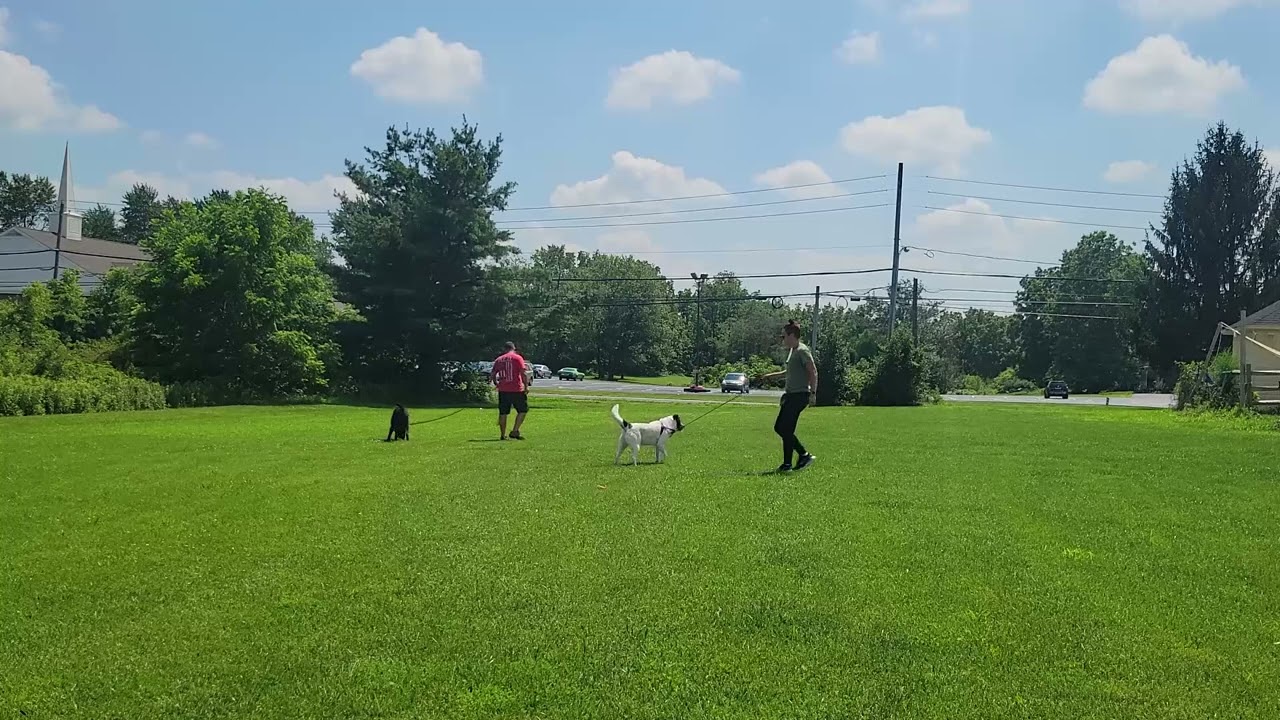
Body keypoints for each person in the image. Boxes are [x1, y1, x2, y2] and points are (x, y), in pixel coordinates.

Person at [757, 319, 817, 472]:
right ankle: (793, 461)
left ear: (792, 335)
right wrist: (770, 376)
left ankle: (800, 457)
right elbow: (788, 372)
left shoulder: (803, 351)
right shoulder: (794, 351)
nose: (782, 339)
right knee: (781, 428)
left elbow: (813, 372)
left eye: (783, 336)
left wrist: (813, 393)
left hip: (799, 395)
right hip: (791, 395)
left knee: (784, 429)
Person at [491, 341, 532, 440]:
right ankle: (515, 430)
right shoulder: (517, 358)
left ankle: (502, 435)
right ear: (514, 348)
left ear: (505, 349)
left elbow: (493, 374)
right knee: (522, 410)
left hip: (503, 389)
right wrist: (526, 386)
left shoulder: (499, 360)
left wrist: (496, 383)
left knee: (503, 412)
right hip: (516, 389)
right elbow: (523, 373)